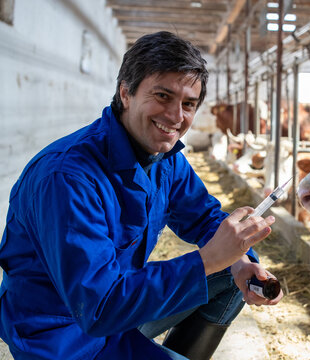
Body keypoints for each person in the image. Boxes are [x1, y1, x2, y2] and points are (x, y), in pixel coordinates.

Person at [0, 31, 283, 360]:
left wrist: (240, 262)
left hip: (118, 307)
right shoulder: (67, 178)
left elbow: (204, 218)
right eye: (163, 96)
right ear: (126, 93)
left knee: (230, 266)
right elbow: (98, 307)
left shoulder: (164, 159)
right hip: (64, 332)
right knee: (212, 263)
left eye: (189, 104)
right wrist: (207, 259)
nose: (177, 116)